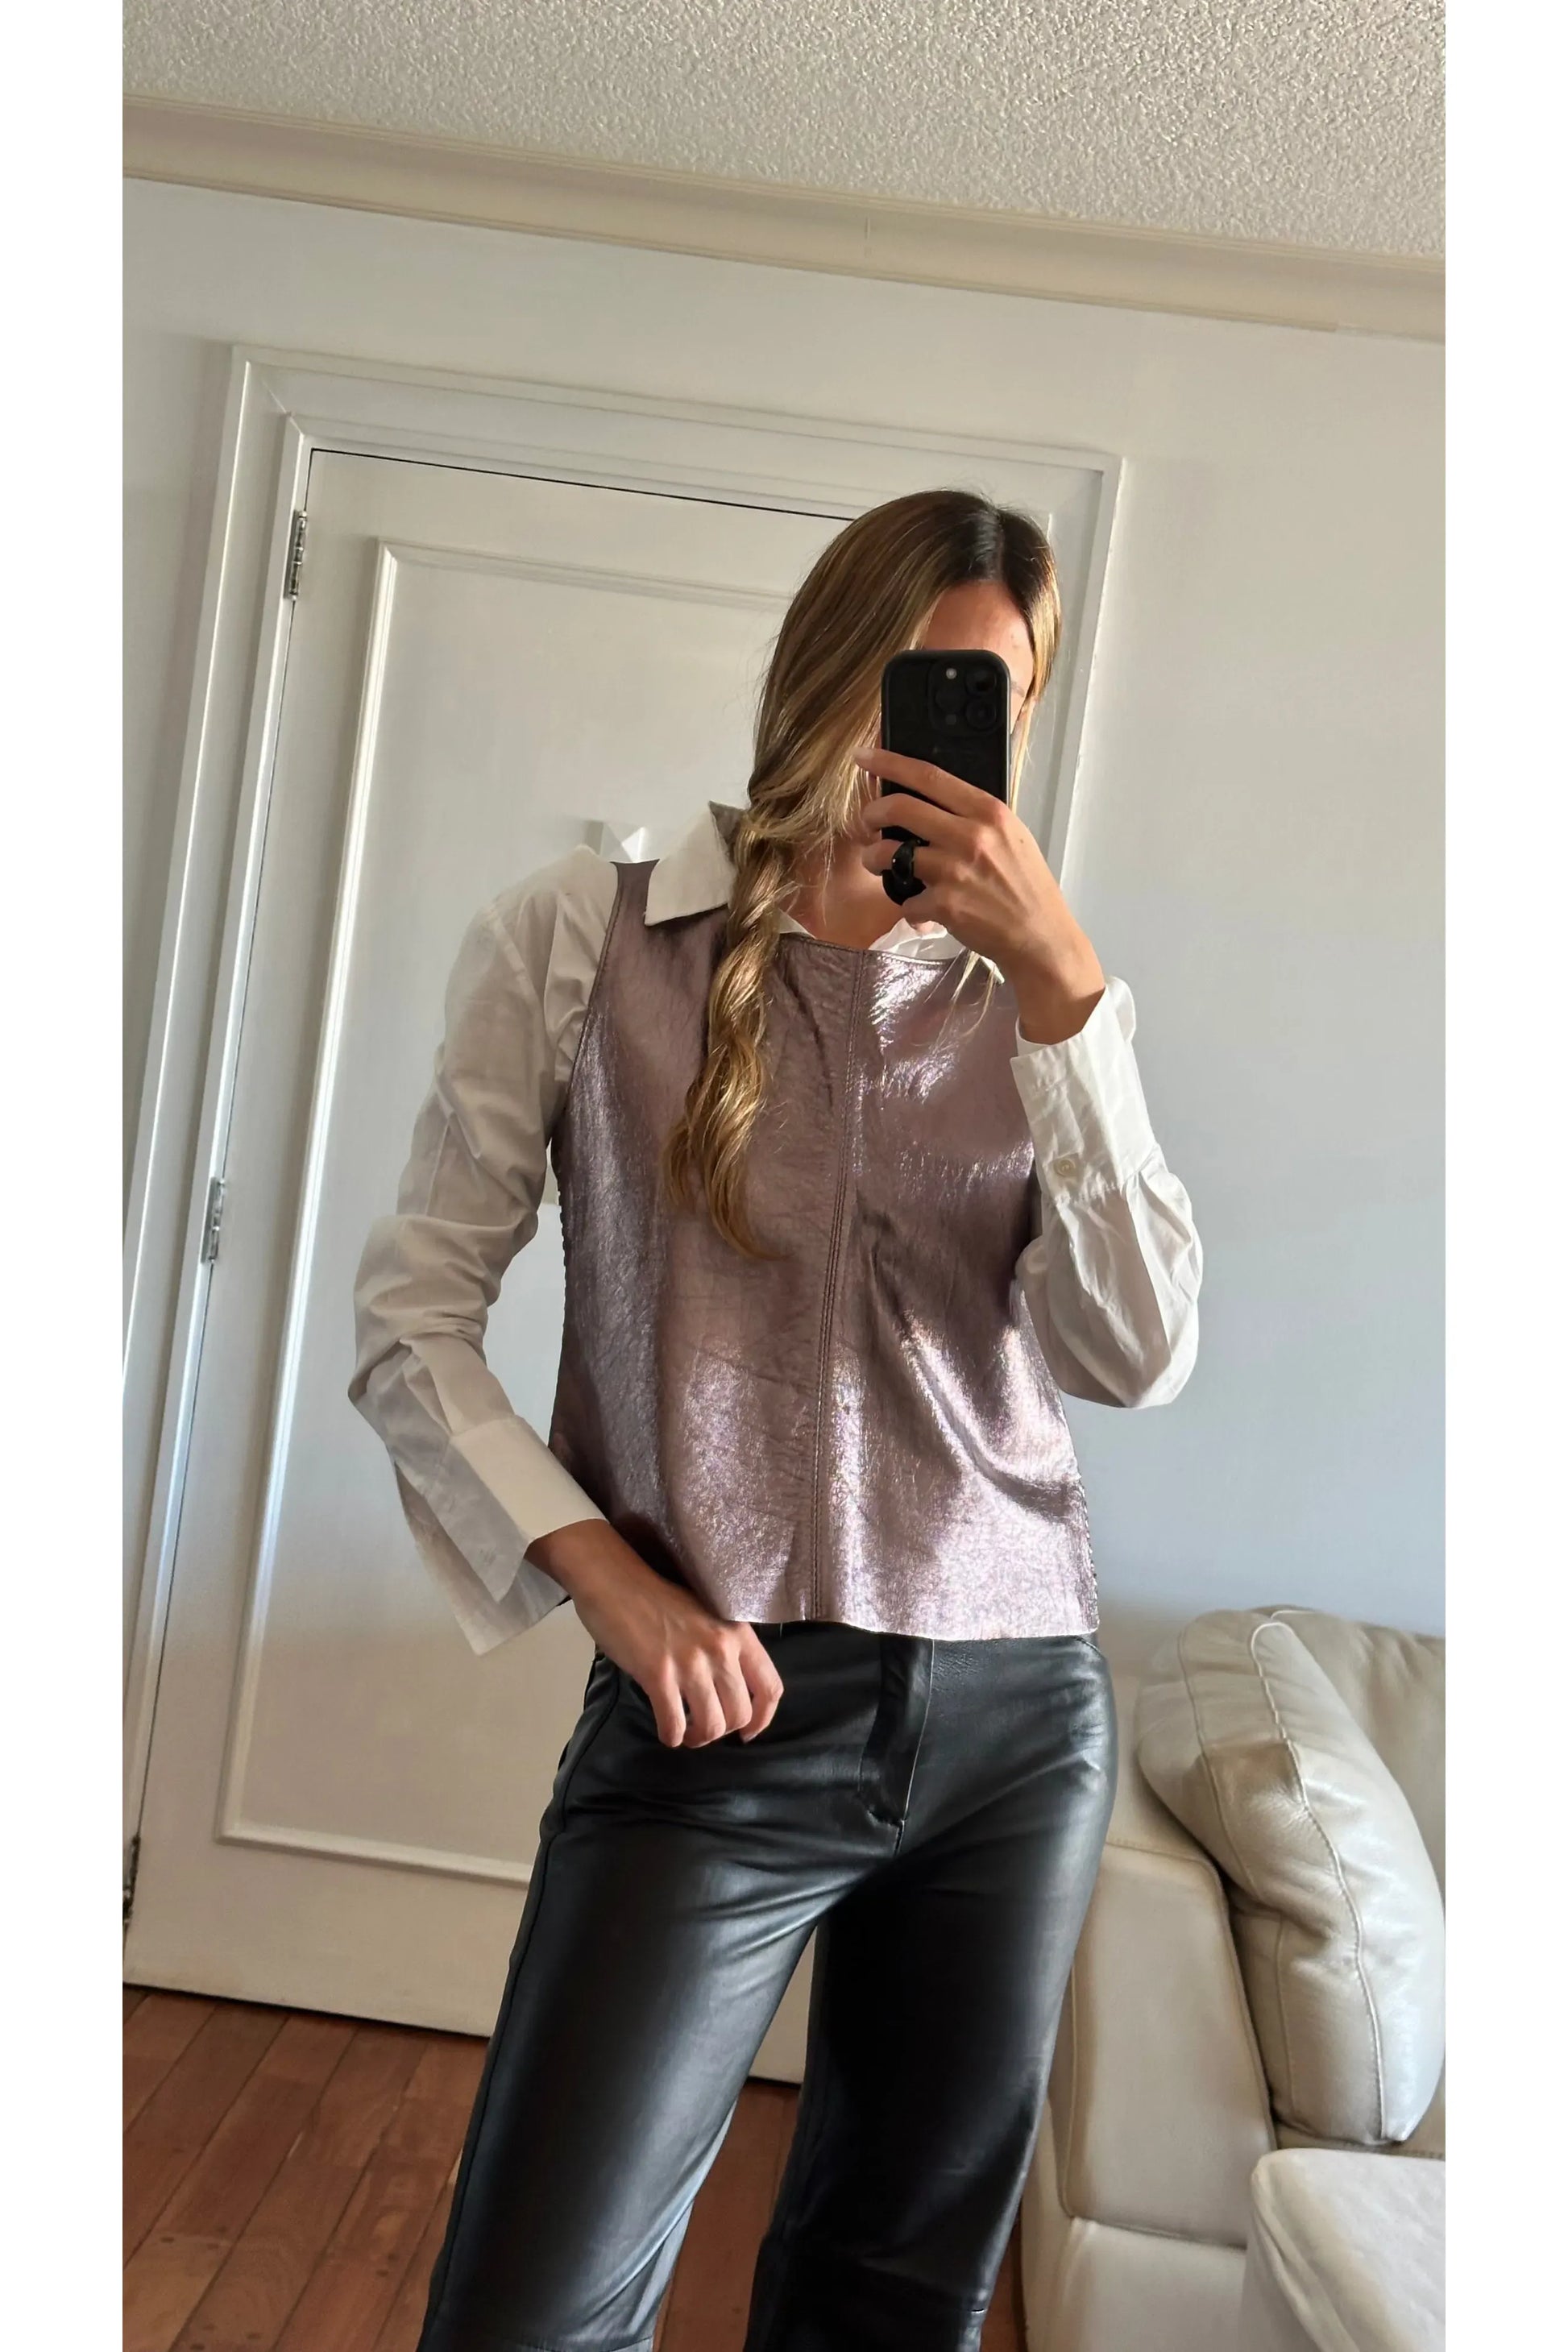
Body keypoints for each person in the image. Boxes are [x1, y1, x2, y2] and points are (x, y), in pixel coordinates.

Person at [349, 487, 1201, 2352]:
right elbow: (410, 1317)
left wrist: (1068, 997)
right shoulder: (584, 935)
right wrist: (610, 1585)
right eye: (923, 679)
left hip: (1015, 1721)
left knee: (889, 2305)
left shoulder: (1043, 1005)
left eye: (999, 696)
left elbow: (1135, 1353)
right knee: (528, 2310)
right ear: (830, 666)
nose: (952, 738)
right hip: (711, 1703)